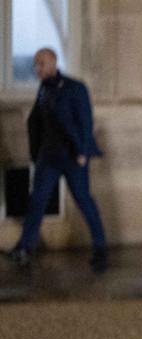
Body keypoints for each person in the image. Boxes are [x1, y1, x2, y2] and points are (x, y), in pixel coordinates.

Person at [4, 48, 107, 272]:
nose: (36, 68)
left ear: (53, 62)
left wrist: (82, 152)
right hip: (49, 157)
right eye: (35, 64)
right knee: (37, 203)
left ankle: (100, 249)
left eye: (41, 64)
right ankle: (24, 248)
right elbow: (38, 121)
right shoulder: (44, 88)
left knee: (84, 202)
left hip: (72, 157)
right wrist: (36, 153)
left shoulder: (75, 88)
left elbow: (85, 121)